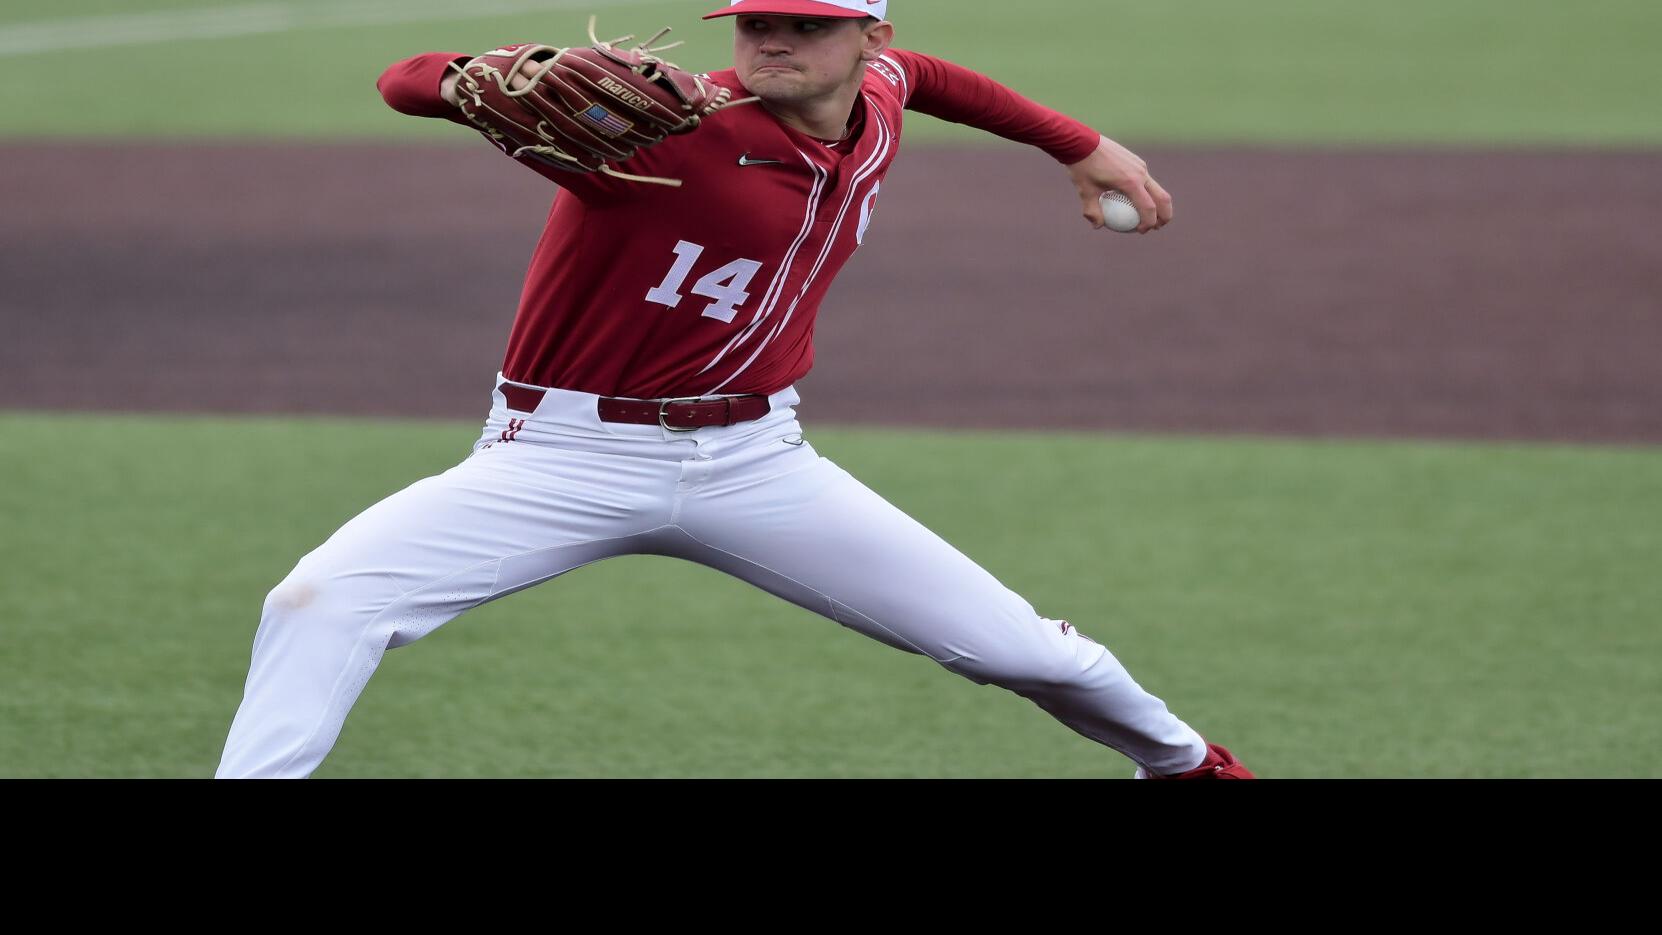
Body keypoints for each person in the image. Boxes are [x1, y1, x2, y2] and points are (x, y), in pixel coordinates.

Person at [215, 0, 1253, 779]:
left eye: (806, 24)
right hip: (560, 457)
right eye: (756, 21)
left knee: (1029, 653)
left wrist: (1076, 142)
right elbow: (402, 77)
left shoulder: (879, 105)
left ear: (867, 44)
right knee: (319, 598)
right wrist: (460, 80)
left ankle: (1187, 766)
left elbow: (934, 77)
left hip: (759, 462)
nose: (771, 41)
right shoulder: (658, 134)